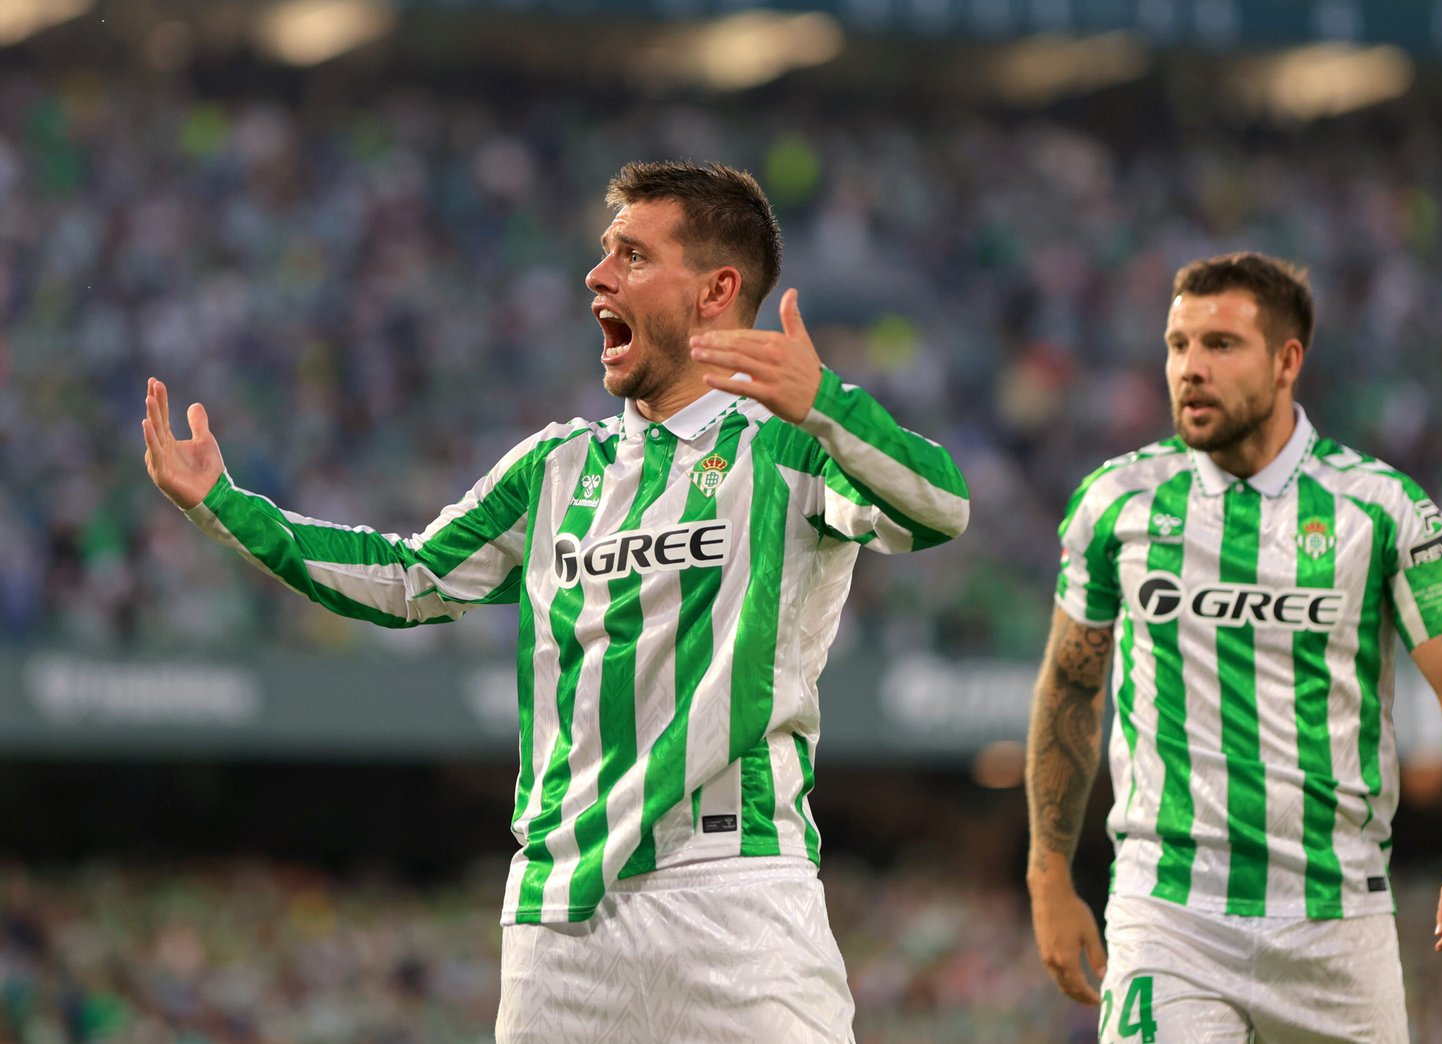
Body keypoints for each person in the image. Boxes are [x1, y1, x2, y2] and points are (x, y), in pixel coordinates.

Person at [142, 160, 970, 1042]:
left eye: (633, 257)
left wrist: (829, 406)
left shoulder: (792, 450)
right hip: (558, 916)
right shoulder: (555, 470)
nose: (597, 276)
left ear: (715, 290)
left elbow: (941, 508)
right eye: (604, 253)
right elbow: (409, 579)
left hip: (736, 892)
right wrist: (224, 505)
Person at [1024, 251, 1442, 1042]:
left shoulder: (1380, 509)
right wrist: (1049, 870)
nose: (1190, 368)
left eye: (1220, 345)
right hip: (1169, 911)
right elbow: (1072, 685)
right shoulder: (1117, 501)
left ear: (1288, 361)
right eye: (1178, 344)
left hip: (1336, 917)